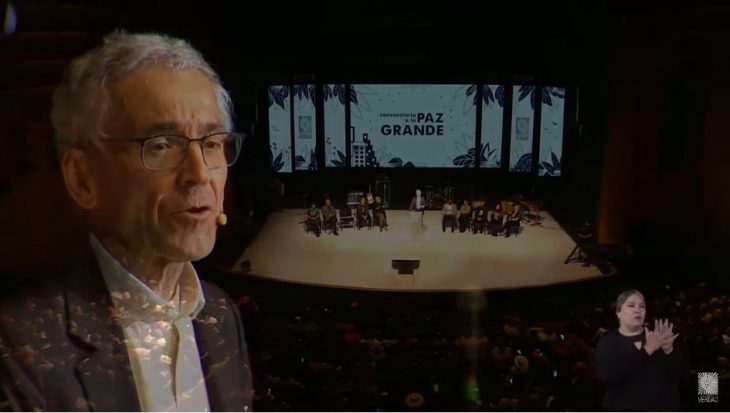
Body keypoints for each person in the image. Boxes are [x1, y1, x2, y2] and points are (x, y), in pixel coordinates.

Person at [0, 31, 252, 411]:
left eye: (212, 143)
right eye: (163, 146)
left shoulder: (219, 314)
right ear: (83, 178)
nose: (199, 174)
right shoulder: (22, 345)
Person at [596, 289, 689, 411]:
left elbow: (680, 376)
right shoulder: (608, 343)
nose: (637, 309)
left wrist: (669, 350)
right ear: (618, 312)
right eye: (631, 305)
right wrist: (648, 349)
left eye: (642, 306)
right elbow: (610, 378)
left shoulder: (659, 335)